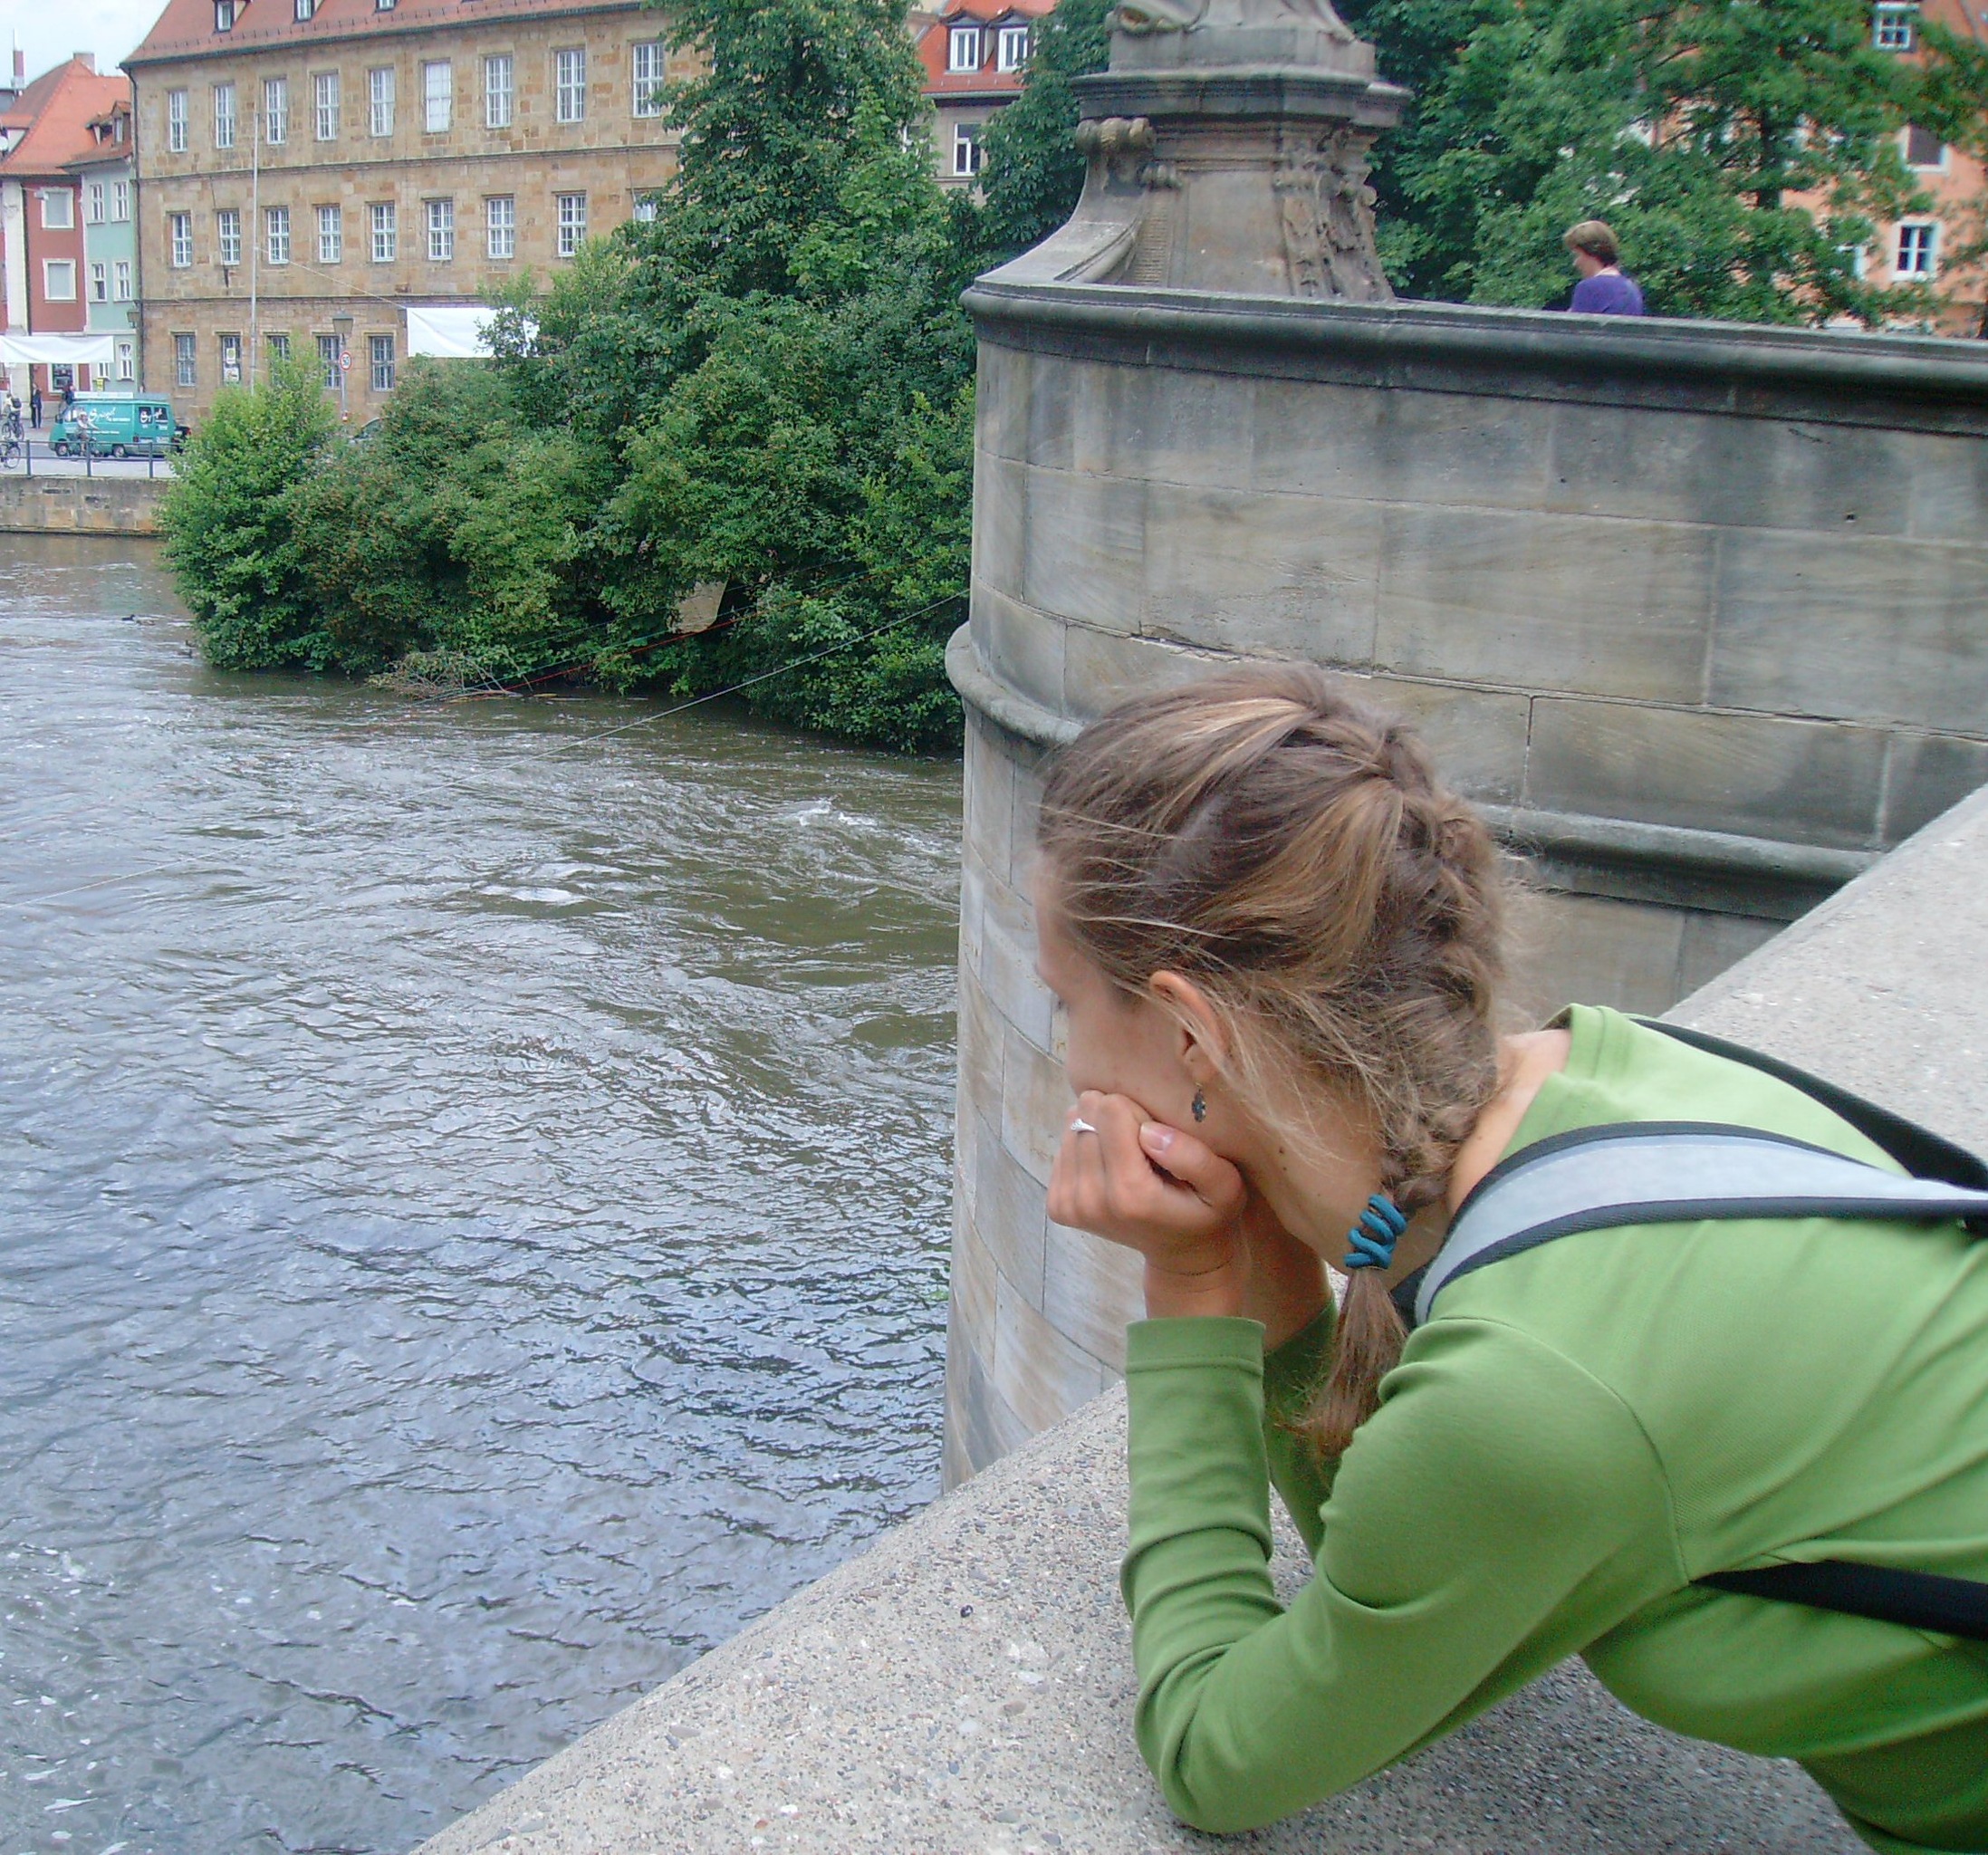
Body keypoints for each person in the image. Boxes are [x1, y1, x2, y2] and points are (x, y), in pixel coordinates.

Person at [1032, 666, 1988, 1855]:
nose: (1070, 1064)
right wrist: (1263, 1268)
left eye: (1064, 1005)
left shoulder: (1526, 1389)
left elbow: (1212, 1754)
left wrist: (1187, 1292)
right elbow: (1401, 1563)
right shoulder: (1615, 1074)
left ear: (1188, 1031)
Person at [1564, 218, 1645, 315]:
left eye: (1577, 255)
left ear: (1591, 252)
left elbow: (1575, 324)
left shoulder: (1589, 288)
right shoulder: (1631, 288)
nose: (1575, 263)